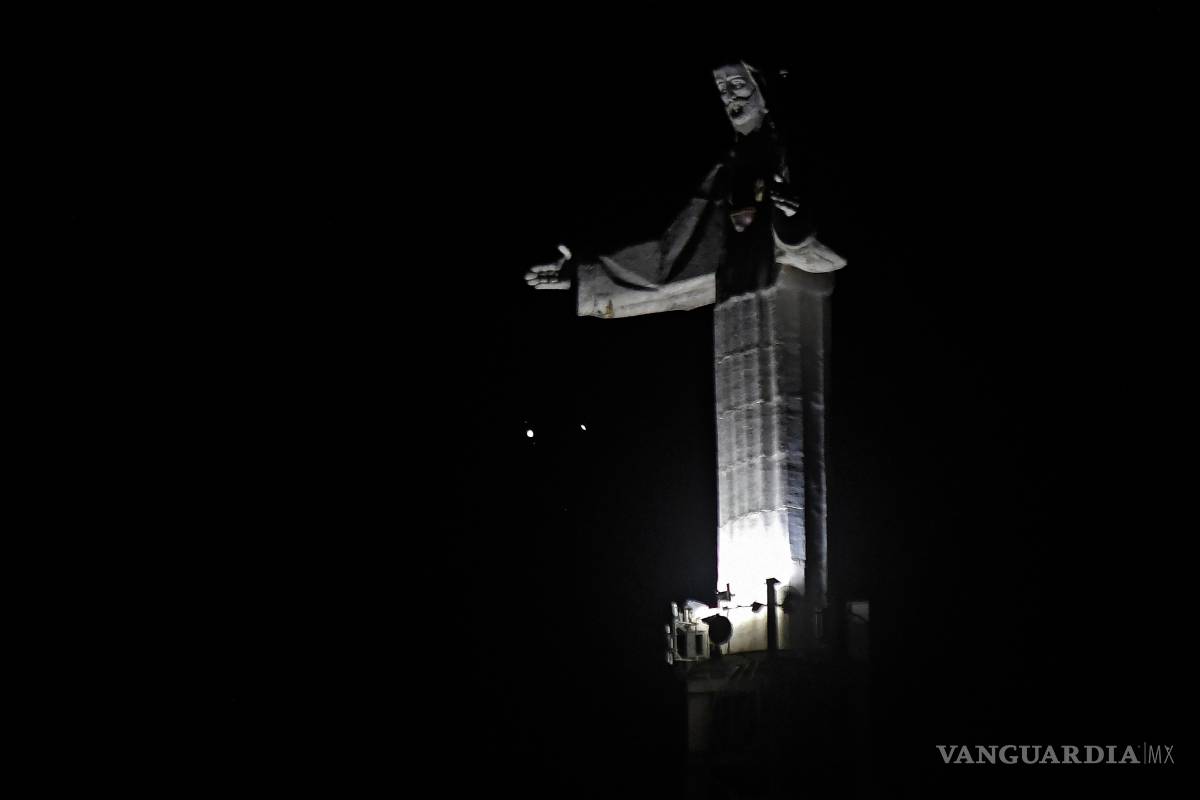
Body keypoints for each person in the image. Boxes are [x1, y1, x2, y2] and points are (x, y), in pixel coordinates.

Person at [525, 61, 845, 317]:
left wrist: (792, 216)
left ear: (763, 91)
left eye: (737, 85)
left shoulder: (792, 155)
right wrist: (584, 276)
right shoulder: (727, 173)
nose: (729, 97)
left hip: (787, 311)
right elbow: (668, 265)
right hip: (739, 309)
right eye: (722, 89)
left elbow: (825, 253)